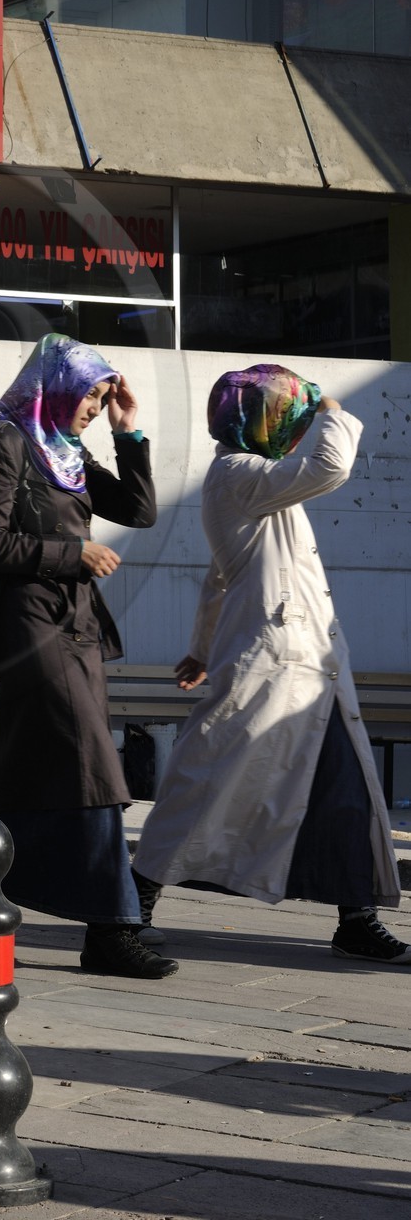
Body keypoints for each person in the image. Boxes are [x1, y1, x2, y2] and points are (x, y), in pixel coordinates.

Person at [0, 333, 178, 979]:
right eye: (89, 395)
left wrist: (129, 433)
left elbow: (138, 510)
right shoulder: (11, 442)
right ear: (56, 387)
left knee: (26, 779)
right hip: (30, 627)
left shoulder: (67, 453)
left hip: (77, 628)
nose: (94, 408)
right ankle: (112, 931)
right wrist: (71, 554)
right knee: (95, 768)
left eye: (102, 398)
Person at [132, 364, 408, 964]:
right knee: (207, 782)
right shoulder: (237, 473)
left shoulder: (255, 481)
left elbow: (221, 577)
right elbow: (330, 467)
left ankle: (356, 918)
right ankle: (134, 902)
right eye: (288, 413)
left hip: (312, 670)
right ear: (257, 420)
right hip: (273, 665)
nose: (297, 424)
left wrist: (201, 647)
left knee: (345, 795)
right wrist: (333, 411)